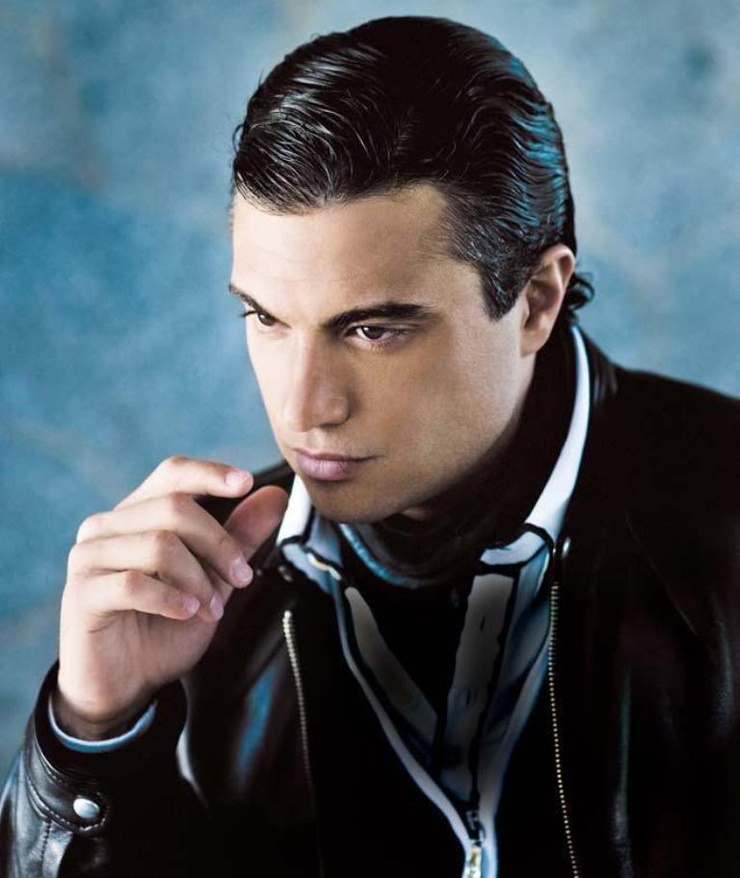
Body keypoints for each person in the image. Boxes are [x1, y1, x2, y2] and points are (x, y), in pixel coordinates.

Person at [1, 15, 738, 878]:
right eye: (267, 318)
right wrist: (93, 735)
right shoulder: (205, 594)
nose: (303, 407)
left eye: (374, 330)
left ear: (536, 301)